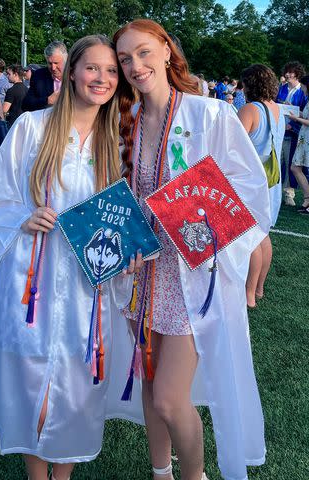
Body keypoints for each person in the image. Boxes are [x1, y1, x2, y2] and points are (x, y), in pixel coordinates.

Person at [0, 34, 143, 480]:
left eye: (110, 71)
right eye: (92, 68)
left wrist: (132, 252)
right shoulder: (32, 128)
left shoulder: (118, 142)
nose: (101, 78)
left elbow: (128, 215)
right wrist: (23, 216)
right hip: (34, 276)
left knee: (80, 387)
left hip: (88, 284)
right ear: (72, 70)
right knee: (30, 380)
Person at [114, 19, 270, 480]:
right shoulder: (126, 122)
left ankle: (193, 476)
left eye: (143, 52)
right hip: (141, 273)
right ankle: (160, 472)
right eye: (125, 58)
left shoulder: (210, 116)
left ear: (166, 50)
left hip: (191, 275)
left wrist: (194, 215)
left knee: (169, 396)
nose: (135, 65)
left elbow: (249, 187)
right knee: (147, 384)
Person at [238, 64, 285, 307]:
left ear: (249, 84)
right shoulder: (277, 109)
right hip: (271, 182)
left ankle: (247, 294)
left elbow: (233, 144)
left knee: (251, 239)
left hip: (251, 182)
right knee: (263, 235)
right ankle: (258, 289)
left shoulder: (250, 109)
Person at [276, 61, 307, 206]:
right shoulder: (281, 89)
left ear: (297, 74)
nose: (287, 74)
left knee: (291, 163)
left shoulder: (303, 92)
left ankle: (289, 194)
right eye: (286, 71)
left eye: (290, 72)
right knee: (276, 162)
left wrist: (292, 123)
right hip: (278, 131)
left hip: (294, 133)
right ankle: (274, 192)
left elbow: (305, 115)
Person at [22, 41, 68, 112]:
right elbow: (26, 105)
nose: (53, 67)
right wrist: (48, 100)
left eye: (56, 63)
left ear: (66, 60)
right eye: (50, 63)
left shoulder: (76, 75)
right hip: (45, 121)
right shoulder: (39, 75)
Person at [289, 75, 309, 214]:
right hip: (304, 138)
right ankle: (307, 199)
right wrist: (296, 112)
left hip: (307, 139)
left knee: (296, 167)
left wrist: (296, 118)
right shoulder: (308, 100)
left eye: (303, 86)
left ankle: (308, 200)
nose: (301, 88)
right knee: (295, 167)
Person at [3, 64, 28, 128]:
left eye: (9, 74)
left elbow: (4, 110)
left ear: (15, 74)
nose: (7, 76)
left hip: (13, 123)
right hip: (25, 122)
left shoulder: (11, 90)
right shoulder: (27, 89)